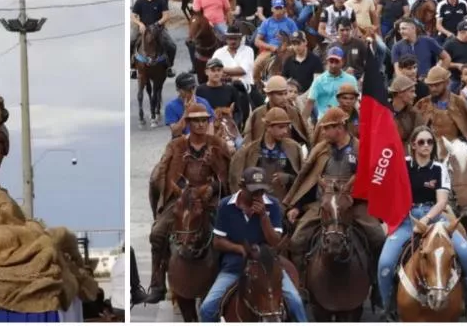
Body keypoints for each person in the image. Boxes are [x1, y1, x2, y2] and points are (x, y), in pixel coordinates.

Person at [377, 126, 467, 321]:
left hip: (436, 219)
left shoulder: (439, 168)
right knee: (385, 264)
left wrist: (426, 219)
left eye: (430, 142)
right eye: (421, 142)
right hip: (406, 220)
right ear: (413, 145)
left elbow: (441, 201)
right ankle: (388, 308)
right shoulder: (402, 165)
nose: (426, 145)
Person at [283, 107, 387, 307]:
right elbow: (307, 179)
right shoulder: (320, 149)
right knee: (297, 240)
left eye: (327, 128)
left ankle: (376, 284)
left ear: (340, 127)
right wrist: (297, 205)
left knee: (378, 237)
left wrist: (353, 192)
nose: (323, 132)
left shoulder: (360, 148)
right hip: (324, 204)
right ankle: (302, 286)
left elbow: (371, 178)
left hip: (354, 204)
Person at [145, 103, 232, 304]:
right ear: (188, 123)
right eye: (196, 121)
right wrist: (178, 189)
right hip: (181, 198)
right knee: (157, 233)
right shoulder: (176, 145)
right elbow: (163, 172)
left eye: (204, 120)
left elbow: (227, 176)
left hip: (210, 198)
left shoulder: (218, 144)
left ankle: (232, 277)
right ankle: (157, 283)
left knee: (230, 231)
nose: (200, 124)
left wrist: (212, 187)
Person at [199, 166, 308, 322]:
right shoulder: (225, 205)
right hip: (235, 266)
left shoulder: (272, 205)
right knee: (207, 308)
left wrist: (263, 217)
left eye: (261, 191)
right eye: (253, 191)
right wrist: (239, 248)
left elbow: (275, 241)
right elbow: (218, 241)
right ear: (242, 187)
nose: (258, 195)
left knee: (295, 301)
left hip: (267, 267)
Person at [130, 0, 176, 78]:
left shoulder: (160, 0)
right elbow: (132, 16)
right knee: (131, 42)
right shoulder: (139, 2)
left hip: (158, 28)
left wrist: (157, 23)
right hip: (143, 28)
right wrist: (140, 24)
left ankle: (169, 67)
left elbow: (166, 15)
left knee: (171, 45)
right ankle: (132, 68)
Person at [304, 47, 357, 121]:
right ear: (327, 62)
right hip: (324, 121)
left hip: (345, 120)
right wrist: (303, 122)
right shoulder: (319, 80)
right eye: (331, 61)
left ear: (343, 62)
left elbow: (355, 102)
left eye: (337, 62)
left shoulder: (351, 80)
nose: (333, 65)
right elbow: (310, 102)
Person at [165, 74, 215, 138]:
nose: (191, 92)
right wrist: (186, 112)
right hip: (182, 142)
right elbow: (175, 133)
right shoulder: (171, 106)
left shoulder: (204, 102)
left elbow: (210, 127)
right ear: (178, 89)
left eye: (193, 88)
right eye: (187, 90)